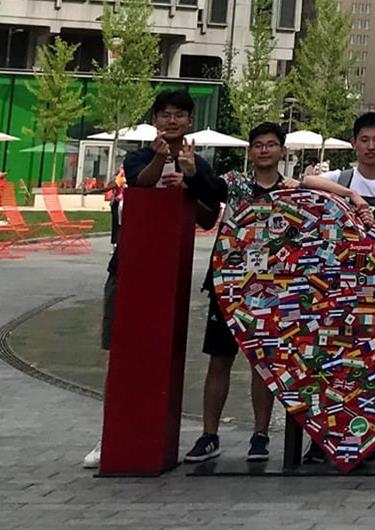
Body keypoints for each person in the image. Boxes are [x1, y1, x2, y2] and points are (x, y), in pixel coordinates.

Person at [183, 122, 366, 464]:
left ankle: (260, 434)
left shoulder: (293, 190)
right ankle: (209, 434)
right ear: (250, 151)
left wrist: (353, 198)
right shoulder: (236, 184)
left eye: (271, 145)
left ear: (283, 151)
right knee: (219, 360)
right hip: (229, 286)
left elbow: (320, 204)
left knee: (263, 365)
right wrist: (193, 173)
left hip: (275, 293)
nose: (264, 150)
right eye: (258, 145)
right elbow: (208, 188)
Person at [85, 90, 227, 469]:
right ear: (156, 120)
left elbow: (208, 215)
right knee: (122, 355)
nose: (172, 121)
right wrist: (162, 159)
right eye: (165, 114)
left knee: (163, 358)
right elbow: (141, 187)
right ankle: (111, 435)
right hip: (131, 271)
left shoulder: (199, 163)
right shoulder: (138, 156)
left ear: (190, 121)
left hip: (171, 278)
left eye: (179, 114)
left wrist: (192, 178)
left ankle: (157, 434)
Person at [306, 112, 375, 219]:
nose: (371, 146)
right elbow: (308, 181)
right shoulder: (340, 179)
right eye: (364, 140)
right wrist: (351, 194)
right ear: (354, 143)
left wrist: (374, 228)